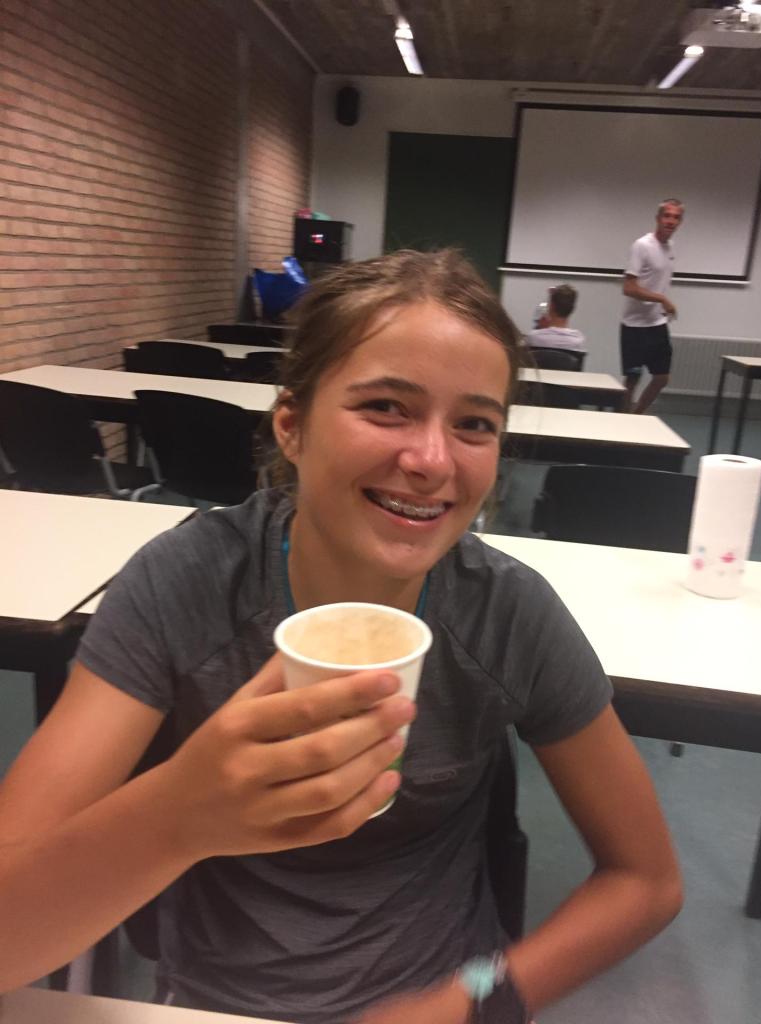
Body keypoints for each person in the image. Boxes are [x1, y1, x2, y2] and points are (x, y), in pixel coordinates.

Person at [0, 250, 682, 1024]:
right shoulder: (185, 585)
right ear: (291, 426)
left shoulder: (507, 614)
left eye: (474, 424)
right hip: (217, 1003)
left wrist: (466, 1003)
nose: (431, 461)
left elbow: (647, 880)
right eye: (386, 407)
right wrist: (179, 816)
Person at [621, 199, 685, 413]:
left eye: (676, 217)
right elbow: (629, 288)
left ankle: (637, 416)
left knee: (662, 378)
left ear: (680, 222)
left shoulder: (670, 247)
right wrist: (662, 299)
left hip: (657, 324)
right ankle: (621, 421)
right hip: (634, 326)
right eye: (667, 216)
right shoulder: (642, 245)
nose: (671, 221)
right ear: (658, 218)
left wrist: (661, 303)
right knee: (632, 379)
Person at [526, 284, 586, 354]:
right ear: (573, 309)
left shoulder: (533, 338)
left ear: (551, 306)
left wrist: (539, 329)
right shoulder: (578, 340)